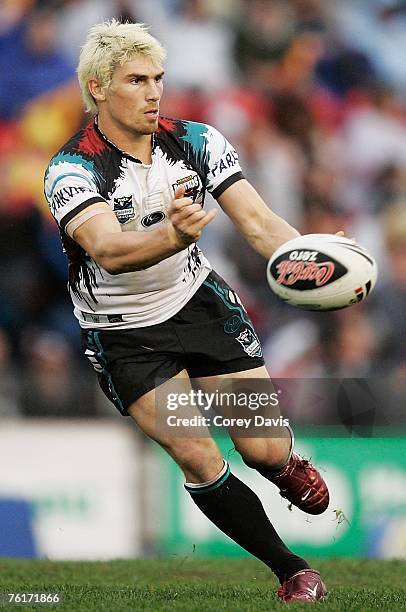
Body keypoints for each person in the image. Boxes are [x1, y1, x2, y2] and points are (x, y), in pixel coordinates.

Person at [44, 19, 330, 603]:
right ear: (97, 88)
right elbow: (109, 249)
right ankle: (291, 570)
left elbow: (259, 223)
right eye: (135, 80)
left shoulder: (198, 141)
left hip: (198, 306)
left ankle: (281, 466)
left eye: (159, 79)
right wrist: (173, 236)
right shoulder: (71, 169)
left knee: (265, 449)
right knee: (197, 454)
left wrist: (313, 258)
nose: (153, 93)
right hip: (124, 334)